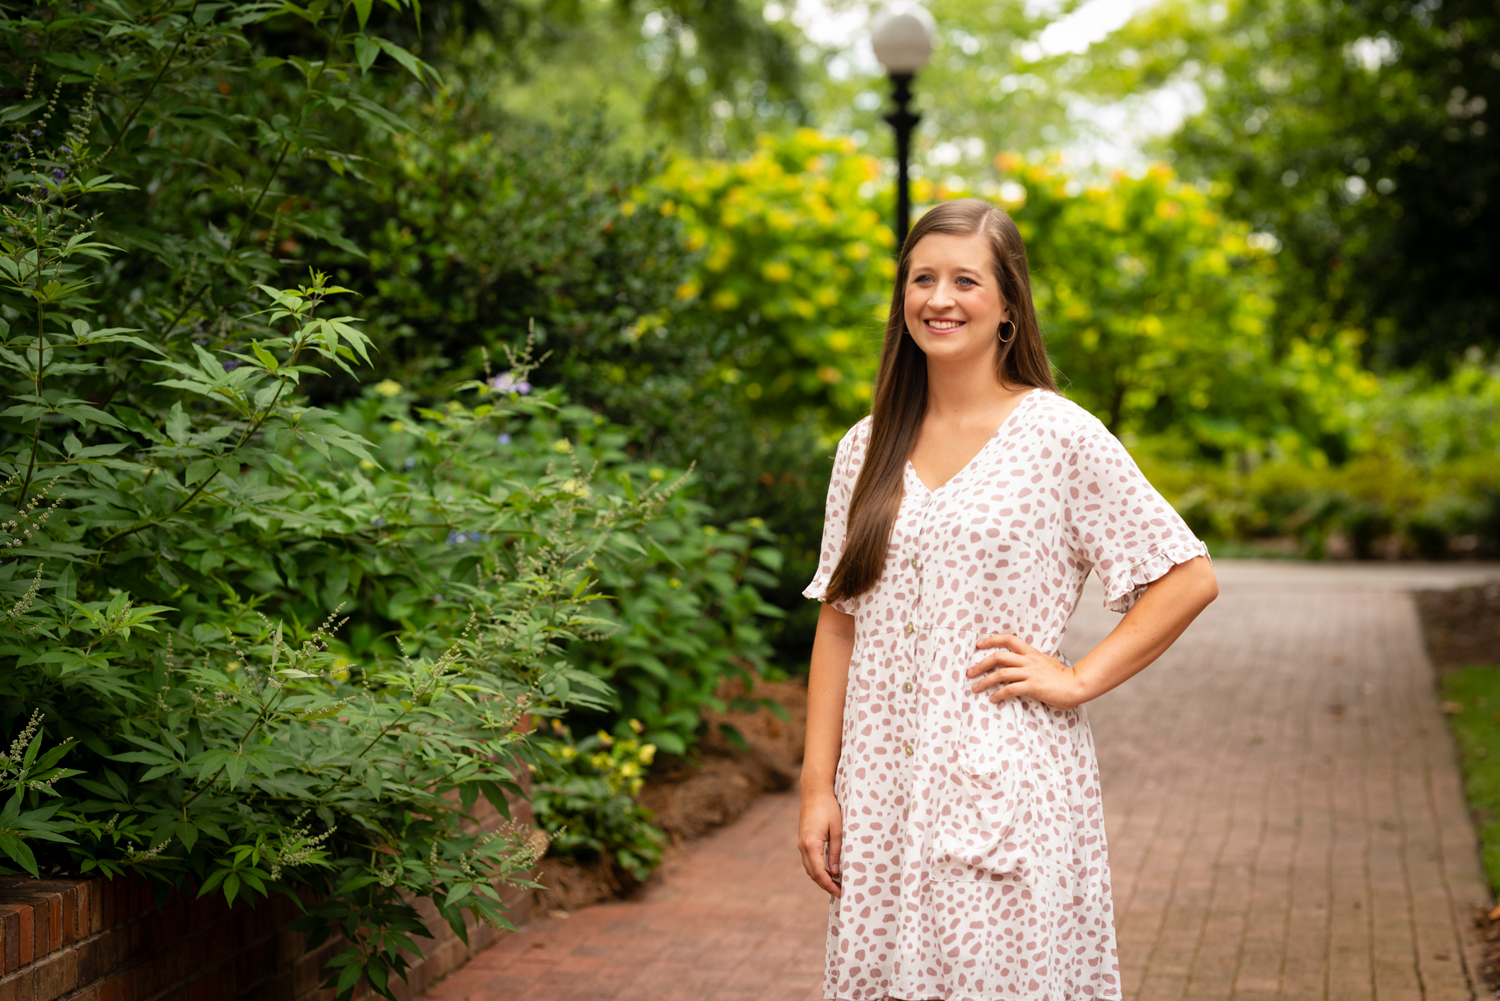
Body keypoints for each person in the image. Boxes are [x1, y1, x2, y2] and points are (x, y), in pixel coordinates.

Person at [798, 198, 1219, 1001]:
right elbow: (839, 621)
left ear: (1008, 306)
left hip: (1006, 780)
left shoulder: (1059, 437)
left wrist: (1079, 676)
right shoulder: (866, 445)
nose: (939, 298)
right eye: (922, 279)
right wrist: (820, 785)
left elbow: (1187, 575)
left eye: (965, 279)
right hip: (882, 786)